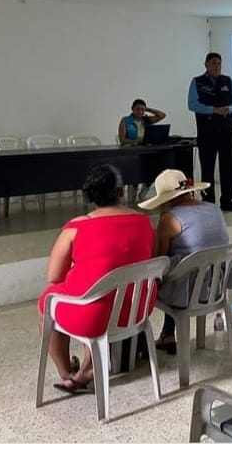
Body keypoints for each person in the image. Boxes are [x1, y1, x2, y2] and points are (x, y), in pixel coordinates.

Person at [37, 164, 155, 392]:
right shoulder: (145, 222)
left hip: (95, 318)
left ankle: (67, 373)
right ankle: (86, 369)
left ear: (90, 196)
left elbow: (54, 276)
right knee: (103, 292)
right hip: (138, 310)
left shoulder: (76, 227)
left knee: (47, 300)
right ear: (120, 191)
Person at [138, 169, 231, 354]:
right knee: (182, 264)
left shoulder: (170, 219)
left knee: (154, 278)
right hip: (217, 288)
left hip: (187, 293)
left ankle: (139, 341)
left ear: (166, 200)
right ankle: (167, 333)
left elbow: (158, 261)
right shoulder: (215, 209)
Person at [188, 52, 232, 212]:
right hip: (207, 132)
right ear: (206, 64)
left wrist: (230, 108)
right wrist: (213, 110)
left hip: (226, 130)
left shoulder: (227, 81)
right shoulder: (197, 82)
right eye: (213, 63)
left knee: (228, 166)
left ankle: (227, 201)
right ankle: (208, 203)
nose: (217, 66)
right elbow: (192, 104)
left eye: (219, 63)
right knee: (207, 168)